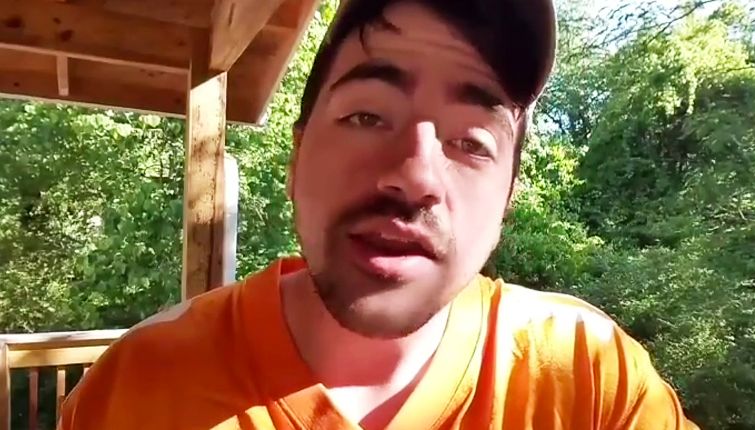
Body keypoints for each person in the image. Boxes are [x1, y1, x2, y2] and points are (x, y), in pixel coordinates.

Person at [59, 0, 700, 429]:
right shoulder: (140, 390)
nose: (415, 177)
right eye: (367, 116)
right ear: (296, 158)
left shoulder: (591, 381)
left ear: (507, 199)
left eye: (471, 141)